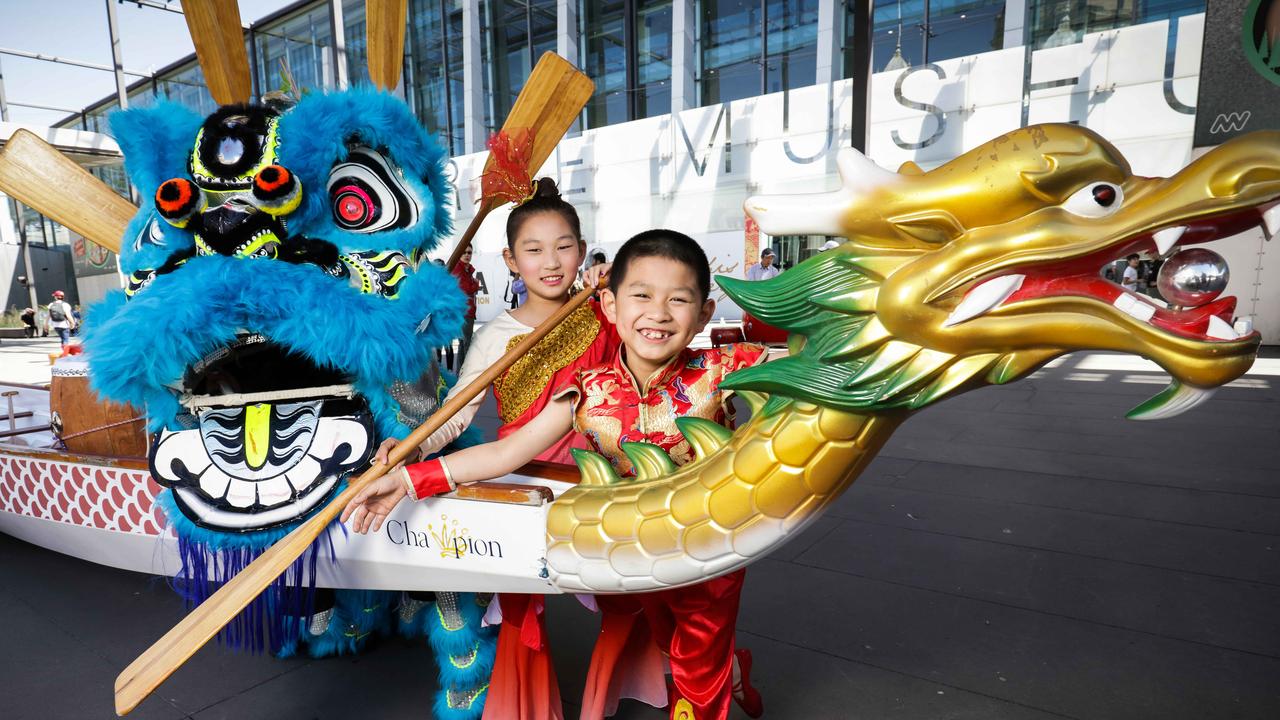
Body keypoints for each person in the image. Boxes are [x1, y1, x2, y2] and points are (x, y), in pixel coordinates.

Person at [344, 229, 766, 720]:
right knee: (669, 639)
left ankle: (708, 683)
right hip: (631, 547)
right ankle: (732, 671)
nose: (659, 313)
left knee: (695, 658)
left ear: (704, 313)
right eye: (642, 296)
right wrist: (412, 480)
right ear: (609, 305)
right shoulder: (588, 388)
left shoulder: (726, 370)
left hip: (708, 544)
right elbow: (507, 452)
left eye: (679, 299)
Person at [372, 176, 619, 720]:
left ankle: (622, 692)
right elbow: (454, 413)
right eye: (534, 250)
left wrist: (623, 287)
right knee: (520, 613)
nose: (551, 262)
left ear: (582, 248)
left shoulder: (605, 310)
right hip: (523, 482)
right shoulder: (496, 334)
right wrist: (411, 451)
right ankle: (527, 710)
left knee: (636, 597)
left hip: (602, 478)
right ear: (511, 259)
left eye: (563, 247)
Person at [452, 247, 481, 371]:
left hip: (466, 311)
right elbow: (466, 289)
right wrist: (476, 284)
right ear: (459, 254)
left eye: (469, 252)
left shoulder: (467, 269)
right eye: (464, 252)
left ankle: (461, 373)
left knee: (463, 343)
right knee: (467, 344)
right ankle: (467, 374)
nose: (467, 255)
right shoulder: (458, 269)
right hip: (463, 311)